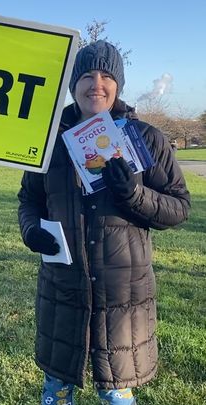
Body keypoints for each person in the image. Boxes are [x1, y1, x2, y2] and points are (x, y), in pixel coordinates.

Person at [17, 40, 190, 405]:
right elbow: (29, 199)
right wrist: (31, 230)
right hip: (63, 288)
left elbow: (179, 208)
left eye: (107, 75)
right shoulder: (48, 141)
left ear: (118, 85)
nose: (97, 82)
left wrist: (134, 194)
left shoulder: (145, 138)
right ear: (73, 85)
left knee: (116, 392)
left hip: (122, 298)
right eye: (87, 75)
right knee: (57, 387)